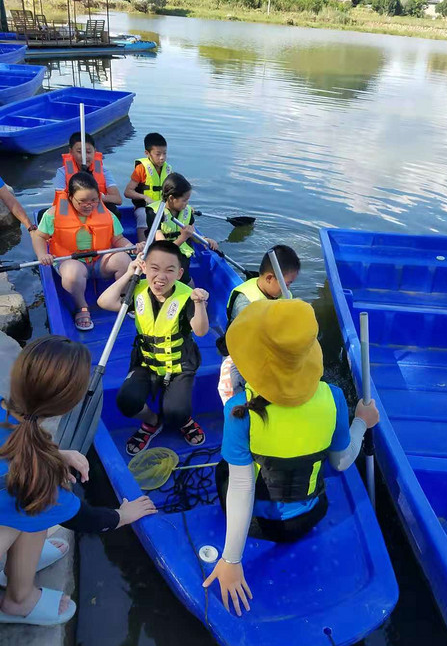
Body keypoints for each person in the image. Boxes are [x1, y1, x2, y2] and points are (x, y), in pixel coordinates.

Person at [202, 299, 380, 616]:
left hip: (260, 526)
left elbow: (241, 489)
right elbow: (341, 462)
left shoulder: (239, 411)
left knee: (226, 470)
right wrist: (361, 423)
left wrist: (231, 560)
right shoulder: (334, 397)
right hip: (310, 517)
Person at [0, 336, 156, 627]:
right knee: (34, 508)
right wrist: (123, 514)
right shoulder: (36, 477)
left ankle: (15, 561)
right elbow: (85, 518)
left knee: (24, 509)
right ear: (65, 406)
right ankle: (18, 600)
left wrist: (56, 453)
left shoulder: (4, 410)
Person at [97, 241, 210, 454]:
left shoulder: (187, 296)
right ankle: (152, 422)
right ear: (145, 267)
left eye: (170, 270)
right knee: (126, 401)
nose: (161, 277)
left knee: (176, 413)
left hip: (179, 364)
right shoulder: (137, 290)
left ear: (179, 273)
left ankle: (183, 421)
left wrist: (199, 304)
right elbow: (104, 302)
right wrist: (129, 273)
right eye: (154, 268)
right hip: (145, 362)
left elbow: (201, 330)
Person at [31, 172, 139, 332]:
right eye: (82, 201)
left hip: (100, 260)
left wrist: (131, 246)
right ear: (70, 197)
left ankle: (123, 298)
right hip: (70, 261)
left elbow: (118, 239)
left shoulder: (107, 214)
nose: (89, 205)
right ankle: (82, 307)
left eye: (94, 200)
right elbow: (39, 237)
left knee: (124, 260)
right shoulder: (53, 215)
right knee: (72, 272)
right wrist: (42, 255)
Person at [217, 245, 301, 404]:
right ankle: (239, 412)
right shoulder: (245, 302)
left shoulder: (283, 294)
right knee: (235, 383)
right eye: (287, 284)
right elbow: (249, 340)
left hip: (269, 347)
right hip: (242, 351)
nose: (288, 289)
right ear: (269, 278)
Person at [147, 173, 219, 286]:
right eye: (184, 200)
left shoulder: (187, 211)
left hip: (182, 253)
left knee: (183, 273)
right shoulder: (154, 213)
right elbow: (164, 249)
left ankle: (188, 292)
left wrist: (205, 239)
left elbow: (193, 234)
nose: (186, 204)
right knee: (170, 267)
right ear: (171, 198)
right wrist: (183, 237)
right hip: (161, 254)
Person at [53, 131, 123, 219]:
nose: (84, 157)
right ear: (71, 152)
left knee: (115, 212)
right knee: (44, 215)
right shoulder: (62, 172)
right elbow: (61, 200)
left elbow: (117, 199)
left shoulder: (104, 171)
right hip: (73, 210)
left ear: (95, 151)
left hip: (96, 209)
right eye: (79, 152)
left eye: (88, 152)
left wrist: (95, 199)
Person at [124, 133, 173, 242]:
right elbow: (127, 192)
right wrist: (144, 197)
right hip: (144, 207)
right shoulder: (141, 169)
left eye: (165, 153)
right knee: (143, 216)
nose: (162, 158)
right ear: (147, 153)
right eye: (158, 154)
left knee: (174, 216)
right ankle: (144, 247)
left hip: (161, 207)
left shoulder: (168, 169)